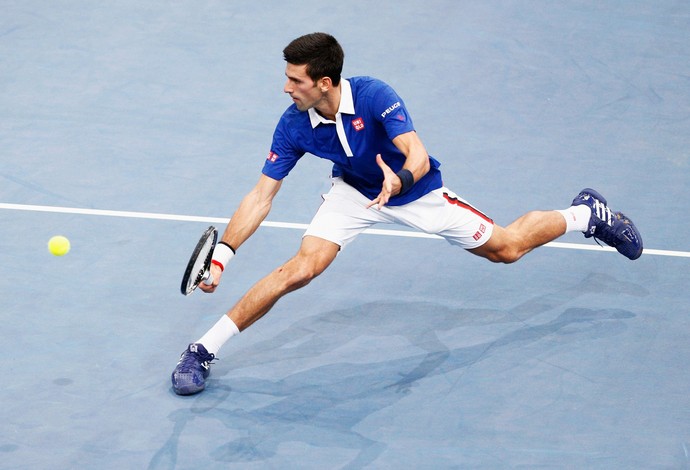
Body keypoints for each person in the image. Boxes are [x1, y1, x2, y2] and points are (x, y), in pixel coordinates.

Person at [171, 32, 643, 395]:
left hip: (415, 194)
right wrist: (224, 256)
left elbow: (415, 152)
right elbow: (261, 196)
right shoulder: (293, 124)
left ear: (325, 82)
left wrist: (402, 180)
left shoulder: (375, 96)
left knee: (508, 248)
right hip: (354, 194)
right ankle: (202, 350)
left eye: (295, 80)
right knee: (301, 268)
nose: (286, 88)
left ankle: (586, 214)